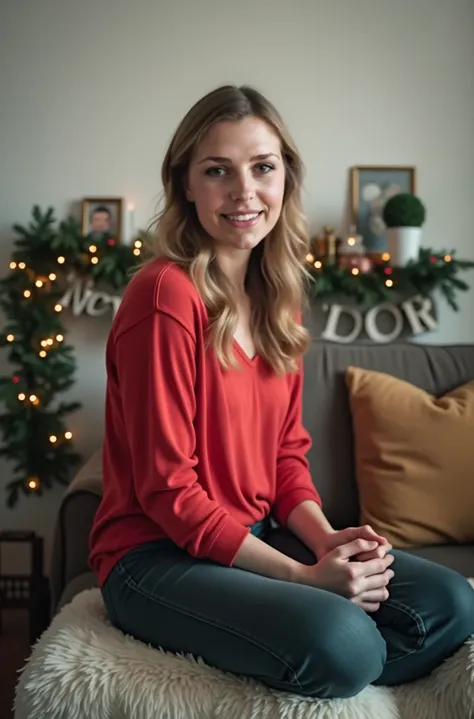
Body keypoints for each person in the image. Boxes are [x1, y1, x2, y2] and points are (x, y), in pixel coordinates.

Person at [88, 85, 474, 699]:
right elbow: (167, 489)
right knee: (345, 642)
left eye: (262, 167)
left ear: (285, 177)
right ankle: (325, 653)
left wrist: (329, 543)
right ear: (186, 184)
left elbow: (286, 458)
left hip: (255, 534)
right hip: (155, 559)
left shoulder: (280, 299)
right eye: (218, 170)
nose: (244, 192)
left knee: (451, 603)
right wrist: (302, 577)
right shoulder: (164, 296)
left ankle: (308, 650)